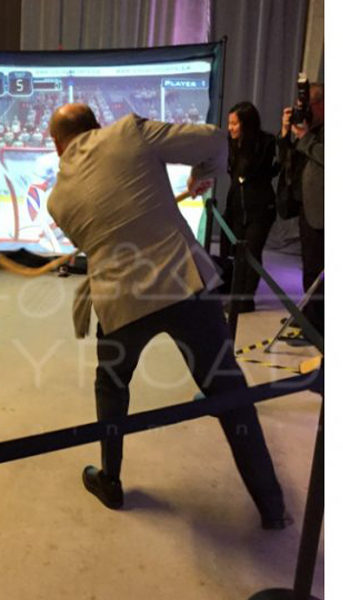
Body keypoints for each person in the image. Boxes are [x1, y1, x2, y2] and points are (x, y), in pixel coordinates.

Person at [46, 104, 291, 529]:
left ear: (57, 146)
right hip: (184, 285)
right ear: (96, 125)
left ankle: (111, 478)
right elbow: (217, 139)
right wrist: (204, 175)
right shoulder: (129, 131)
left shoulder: (57, 202)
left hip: (120, 301)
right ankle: (272, 508)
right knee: (231, 394)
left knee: (112, 385)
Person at [220, 101, 279, 313]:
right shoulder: (230, 143)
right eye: (229, 123)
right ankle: (237, 296)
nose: (230, 128)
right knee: (239, 253)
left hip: (260, 208)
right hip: (237, 208)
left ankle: (246, 300)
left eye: (235, 124)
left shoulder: (265, 143)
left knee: (252, 253)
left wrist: (243, 146)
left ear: (246, 123)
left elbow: (256, 169)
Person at [278, 83, 324, 337]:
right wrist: (287, 133)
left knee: (318, 271)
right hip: (308, 209)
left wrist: (305, 137)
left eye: (308, 106)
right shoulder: (310, 131)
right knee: (309, 269)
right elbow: (286, 159)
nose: (305, 111)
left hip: (323, 213)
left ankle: (317, 328)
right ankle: (310, 318)